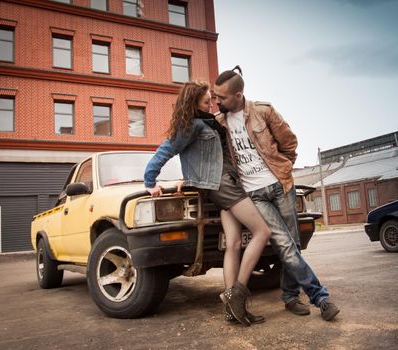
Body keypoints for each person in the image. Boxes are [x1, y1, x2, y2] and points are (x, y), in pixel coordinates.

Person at [213, 67, 340, 321]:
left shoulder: (263, 111)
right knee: (284, 244)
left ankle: (290, 296)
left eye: (222, 98)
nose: (217, 102)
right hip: (254, 194)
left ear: (238, 95)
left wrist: (283, 168)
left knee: (291, 245)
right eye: (215, 97)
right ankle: (321, 298)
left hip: (281, 185)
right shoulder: (220, 122)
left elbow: (289, 142)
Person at [143, 80, 271, 326]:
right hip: (222, 185)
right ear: (193, 101)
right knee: (262, 231)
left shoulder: (208, 121)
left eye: (212, 99)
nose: (211, 103)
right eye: (206, 100)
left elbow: (203, 158)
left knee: (232, 243)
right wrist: (150, 181)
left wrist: (189, 177)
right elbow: (165, 151)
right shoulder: (190, 125)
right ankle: (237, 294)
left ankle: (234, 311)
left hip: (225, 182)